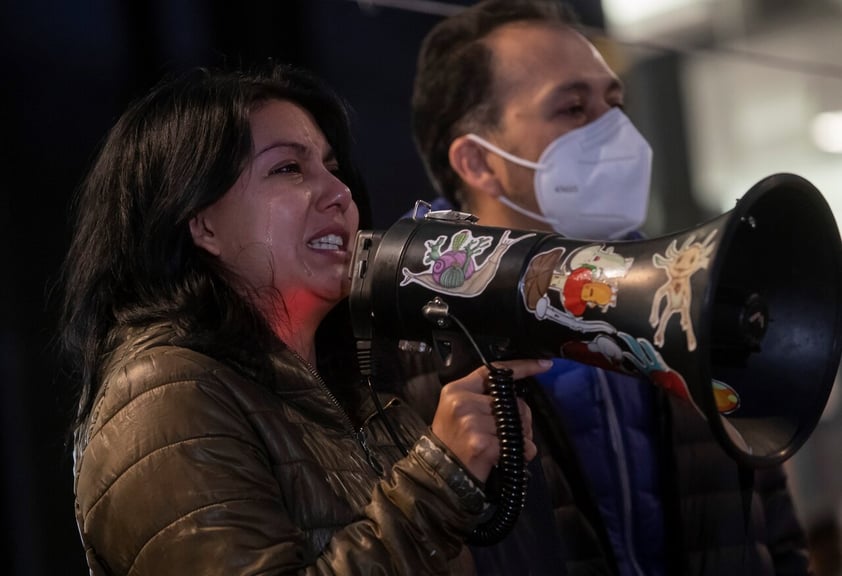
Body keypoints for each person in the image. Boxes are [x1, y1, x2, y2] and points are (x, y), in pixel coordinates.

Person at [58, 63, 554, 575]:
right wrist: (438, 480)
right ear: (202, 223)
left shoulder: (351, 383)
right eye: (288, 169)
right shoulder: (162, 396)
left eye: (332, 166)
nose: (340, 193)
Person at [407, 0, 810, 574]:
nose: (616, 129)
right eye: (573, 107)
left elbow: (777, 532)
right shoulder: (408, 348)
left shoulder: (691, 293)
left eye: (614, 103)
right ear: (478, 161)